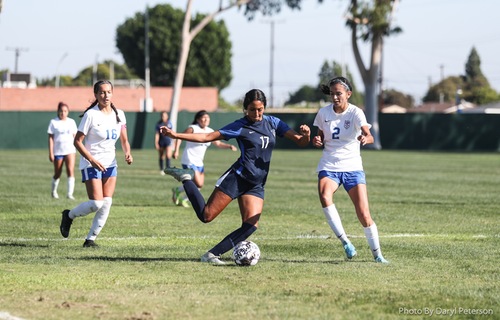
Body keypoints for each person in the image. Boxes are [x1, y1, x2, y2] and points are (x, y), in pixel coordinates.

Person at [161, 89, 311, 265]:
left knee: (251, 226)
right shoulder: (240, 126)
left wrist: (306, 135)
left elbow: (300, 141)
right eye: (252, 109)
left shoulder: (273, 123)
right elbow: (208, 136)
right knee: (206, 215)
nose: (257, 113)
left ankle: (211, 255)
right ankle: (186, 178)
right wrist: (175, 135)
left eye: (260, 109)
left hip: (256, 184)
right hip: (238, 178)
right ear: (245, 109)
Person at [312, 76, 388, 263]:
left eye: (339, 93)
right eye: (332, 94)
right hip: (329, 165)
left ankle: (378, 255)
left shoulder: (356, 113)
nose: (335, 97)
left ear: (348, 94)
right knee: (324, 195)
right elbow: (319, 138)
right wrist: (317, 140)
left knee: (363, 214)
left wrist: (365, 139)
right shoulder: (323, 113)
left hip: (352, 167)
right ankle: (346, 243)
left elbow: (369, 135)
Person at [59, 80, 133, 247]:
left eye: (108, 92)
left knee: (107, 202)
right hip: (91, 163)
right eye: (102, 92)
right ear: (96, 95)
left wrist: (127, 152)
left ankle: (90, 239)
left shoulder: (119, 114)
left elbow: (124, 139)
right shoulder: (91, 115)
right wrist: (92, 160)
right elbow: (77, 142)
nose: (105, 95)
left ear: (112, 93)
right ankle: (69, 215)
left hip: (110, 163)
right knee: (96, 203)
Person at [171, 110, 237, 207]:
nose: (206, 119)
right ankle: (179, 192)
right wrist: (176, 150)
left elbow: (217, 143)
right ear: (198, 119)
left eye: (208, 118)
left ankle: (182, 197)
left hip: (199, 162)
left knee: (199, 185)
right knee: (198, 183)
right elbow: (180, 137)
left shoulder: (209, 131)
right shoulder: (193, 128)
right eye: (203, 117)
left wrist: (229, 146)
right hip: (189, 159)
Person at [47, 102, 78, 200]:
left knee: (70, 170)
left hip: (70, 150)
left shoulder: (71, 122)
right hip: (58, 151)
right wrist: (51, 152)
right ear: (58, 111)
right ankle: (54, 191)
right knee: (58, 173)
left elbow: (75, 137)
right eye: (61, 111)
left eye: (65, 111)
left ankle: (69, 194)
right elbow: (51, 138)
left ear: (68, 112)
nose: (63, 113)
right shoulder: (53, 122)